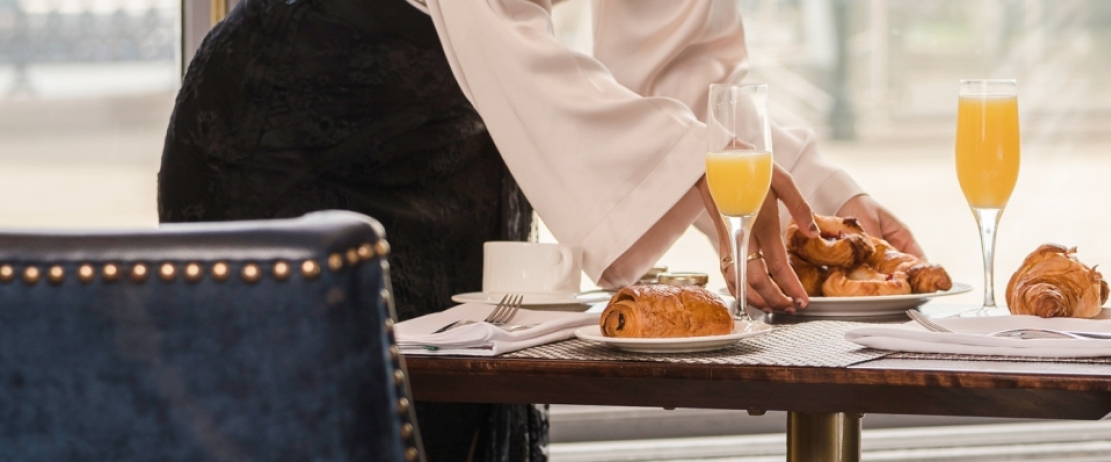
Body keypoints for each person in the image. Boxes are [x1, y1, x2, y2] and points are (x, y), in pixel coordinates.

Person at [158, 0, 918, 460]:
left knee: (456, 422)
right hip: (286, 124)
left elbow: (678, 65)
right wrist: (695, 163)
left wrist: (831, 205)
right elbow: (489, 21)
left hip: (460, 137)